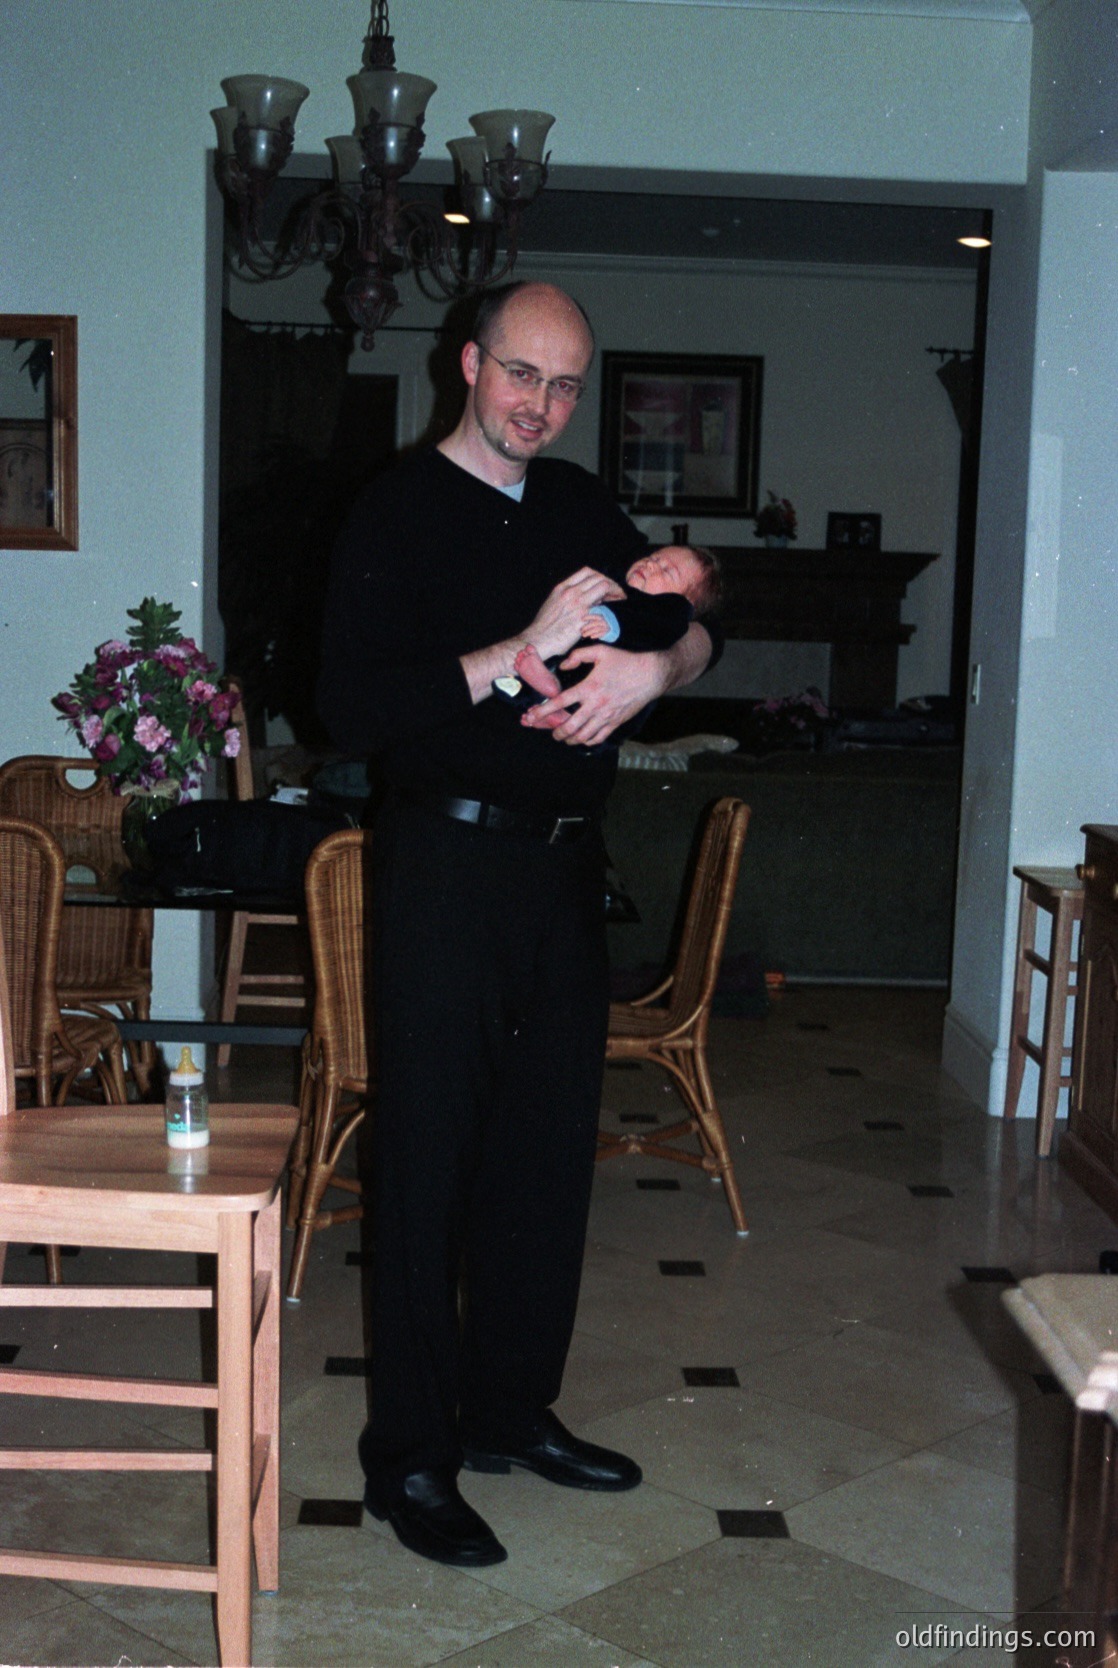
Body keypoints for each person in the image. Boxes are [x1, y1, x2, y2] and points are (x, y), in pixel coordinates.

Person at [317, 280, 717, 1570]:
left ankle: (507, 1410)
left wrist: (663, 664)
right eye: (520, 376)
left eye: (562, 385)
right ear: (467, 362)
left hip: (560, 872)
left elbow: (696, 621)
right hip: (443, 862)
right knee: (428, 1162)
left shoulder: (581, 502)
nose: (539, 405)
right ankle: (411, 1461)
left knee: (546, 1157)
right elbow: (349, 708)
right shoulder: (392, 509)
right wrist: (519, 644)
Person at [495, 543, 721, 723]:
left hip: (611, 684)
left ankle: (548, 698)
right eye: (653, 558)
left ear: (685, 603)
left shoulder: (669, 613)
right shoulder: (621, 584)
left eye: (666, 571)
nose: (651, 565)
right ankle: (538, 694)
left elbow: (656, 628)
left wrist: (613, 625)